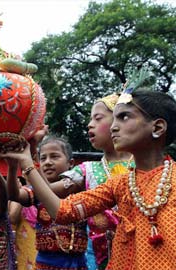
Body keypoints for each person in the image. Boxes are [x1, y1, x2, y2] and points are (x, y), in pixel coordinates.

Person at [0, 84, 176, 269]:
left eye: (124, 117)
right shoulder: (118, 184)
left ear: (158, 127)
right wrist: (26, 163)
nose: (114, 127)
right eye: (114, 119)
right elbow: (63, 211)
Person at [58, 93, 133, 269]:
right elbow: (39, 192)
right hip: (97, 260)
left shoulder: (147, 166)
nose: (89, 124)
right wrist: (25, 165)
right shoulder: (87, 170)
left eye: (98, 118)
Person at [6, 135, 88, 270]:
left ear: (71, 163)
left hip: (78, 265)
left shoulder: (80, 186)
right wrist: (12, 166)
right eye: (43, 158)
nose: (48, 162)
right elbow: (14, 195)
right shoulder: (38, 191)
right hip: (45, 265)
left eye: (55, 156)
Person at [8, 177, 37, 270]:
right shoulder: (22, 192)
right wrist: (20, 193)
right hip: (27, 252)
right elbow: (12, 218)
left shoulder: (54, 190)